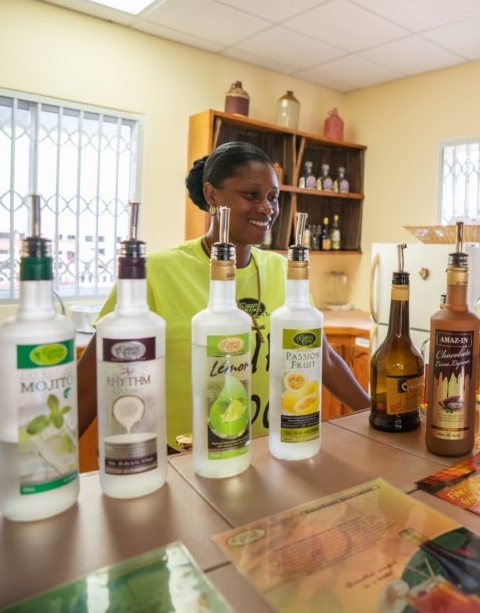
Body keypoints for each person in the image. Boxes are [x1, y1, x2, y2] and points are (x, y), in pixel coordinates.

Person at [78, 141, 369, 451]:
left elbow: (322, 358)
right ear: (212, 195)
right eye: (252, 194)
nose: (267, 208)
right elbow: (88, 386)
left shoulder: (283, 271)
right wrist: (49, 468)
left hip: (265, 451)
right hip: (182, 457)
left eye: (273, 197)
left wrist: (374, 416)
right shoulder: (157, 272)